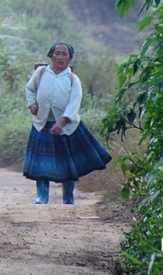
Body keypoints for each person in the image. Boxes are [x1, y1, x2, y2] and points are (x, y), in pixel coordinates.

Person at [23, 41, 112, 204]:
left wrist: (62, 123)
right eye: (57, 53)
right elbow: (30, 89)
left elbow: (74, 103)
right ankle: (42, 196)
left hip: (66, 127)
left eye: (65, 54)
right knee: (41, 162)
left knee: (67, 162)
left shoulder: (72, 79)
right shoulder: (41, 73)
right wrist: (32, 104)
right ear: (51, 56)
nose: (60, 57)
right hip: (42, 124)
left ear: (71, 58)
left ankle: (68, 197)